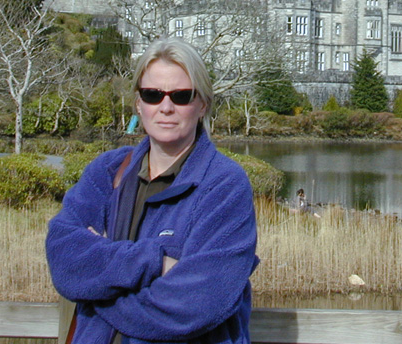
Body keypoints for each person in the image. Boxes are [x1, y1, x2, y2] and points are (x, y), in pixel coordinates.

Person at [46, 37, 259, 344]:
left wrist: (98, 289)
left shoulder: (225, 185)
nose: (166, 107)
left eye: (182, 96)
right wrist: (155, 261)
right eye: (153, 94)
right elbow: (65, 259)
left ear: (202, 105)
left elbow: (197, 304)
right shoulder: (107, 172)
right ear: (138, 104)